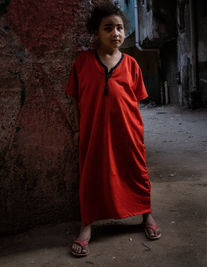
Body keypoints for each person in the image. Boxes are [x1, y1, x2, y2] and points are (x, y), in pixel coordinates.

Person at [66, 1, 161, 257]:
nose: (115, 33)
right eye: (108, 28)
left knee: (135, 170)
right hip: (93, 131)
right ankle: (87, 225)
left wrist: (136, 131)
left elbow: (136, 101)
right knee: (91, 175)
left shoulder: (131, 64)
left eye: (119, 28)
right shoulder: (83, 62)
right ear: (96, 32)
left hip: (127, 131)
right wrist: (78, 129)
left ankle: (146, 214)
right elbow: (75, 98)